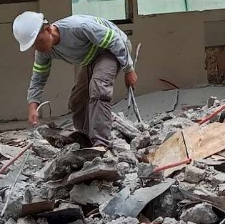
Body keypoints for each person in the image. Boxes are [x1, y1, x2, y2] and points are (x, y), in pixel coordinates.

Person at [13, 11, 137, 149]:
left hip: (113, 49)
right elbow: (38, 77)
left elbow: (114, 40)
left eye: (37, 42)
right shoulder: (43, 52)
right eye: (33, 45)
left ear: (48, 30)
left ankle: (101, 144)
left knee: (99, 88)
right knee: (77, 100)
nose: (37, 48)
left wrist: (129, 70)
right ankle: (86, 139)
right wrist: (33, 105)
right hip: (92, 58)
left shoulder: (77, 27)